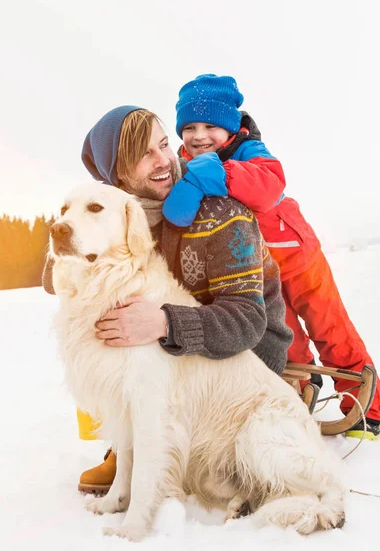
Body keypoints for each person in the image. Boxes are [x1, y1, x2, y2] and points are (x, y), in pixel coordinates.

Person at [43, 105, 293, 493]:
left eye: (163, 145)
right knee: (94, 326)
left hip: (245, 361)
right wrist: (71, 241)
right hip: (173, 356)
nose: (166, 161)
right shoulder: (115, 213)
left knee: (131, 332)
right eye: (145, 154)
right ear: (119, 174)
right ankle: (126, 438)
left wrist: (164, 323)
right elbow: (62, 280)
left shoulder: (219, 208)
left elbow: (247, 322)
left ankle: (149, 446)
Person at [162, 73, 380, 441]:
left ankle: (365, 409)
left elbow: (266, 187)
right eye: (190, 127)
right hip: (255, 267)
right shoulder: (184, 164)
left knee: (330, 328)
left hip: (296, 254)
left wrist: (215, 172)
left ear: (230, 127)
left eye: (211, 125)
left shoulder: (250, 152)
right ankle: (297, 390)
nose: (199, 136)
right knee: (282, 335)